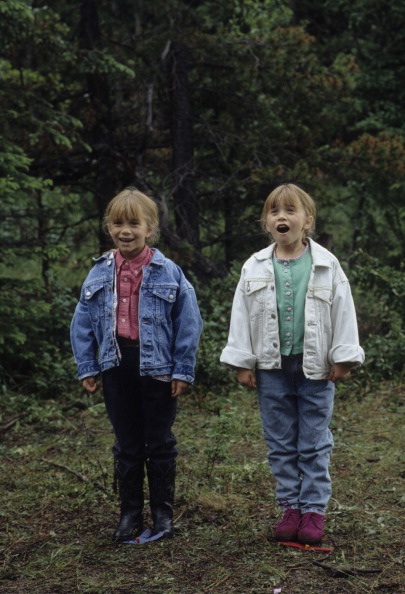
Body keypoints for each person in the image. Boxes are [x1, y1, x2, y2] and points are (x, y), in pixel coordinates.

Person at [220, 183, 364, 545]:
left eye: (290, 211)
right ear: (266, 222)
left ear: (307, 221)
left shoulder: (327, 265)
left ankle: (314, 509)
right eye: (274, 212)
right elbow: (241, 315)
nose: (281, 217)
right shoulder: (253, 266)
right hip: (271, 369)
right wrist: (243, 361)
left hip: (316, 369)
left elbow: (343, 310)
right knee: (281, 441)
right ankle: (290, 507)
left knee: (314, 442)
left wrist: (343, 357)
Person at [70, 187, 203, 543]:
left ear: (150, 228)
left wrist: (182, 369)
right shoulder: (99, 272)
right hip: (116, 366)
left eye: (133, 223)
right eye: (117, 223)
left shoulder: (167, 270)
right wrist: (87, 366)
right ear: (108, 227)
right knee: (126, 444)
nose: (125, 230)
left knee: (159, 442)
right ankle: (129, 514)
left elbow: (188, 322)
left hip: (158, 369)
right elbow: (82, 322)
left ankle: (162, 515)